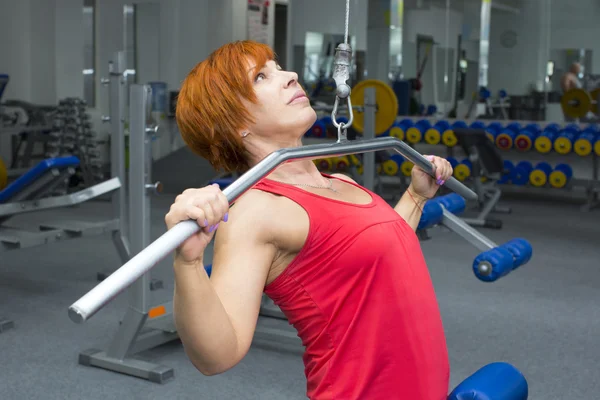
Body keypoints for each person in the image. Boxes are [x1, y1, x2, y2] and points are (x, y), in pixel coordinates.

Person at [167, 40, 453, 400]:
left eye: (278, 66)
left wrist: (415, 197)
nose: (291, 76)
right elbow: (216, 356)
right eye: (261, 77)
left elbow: (380, 258)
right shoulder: (257, 210)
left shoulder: (342, 183)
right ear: (234, 122)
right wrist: (188, 262)